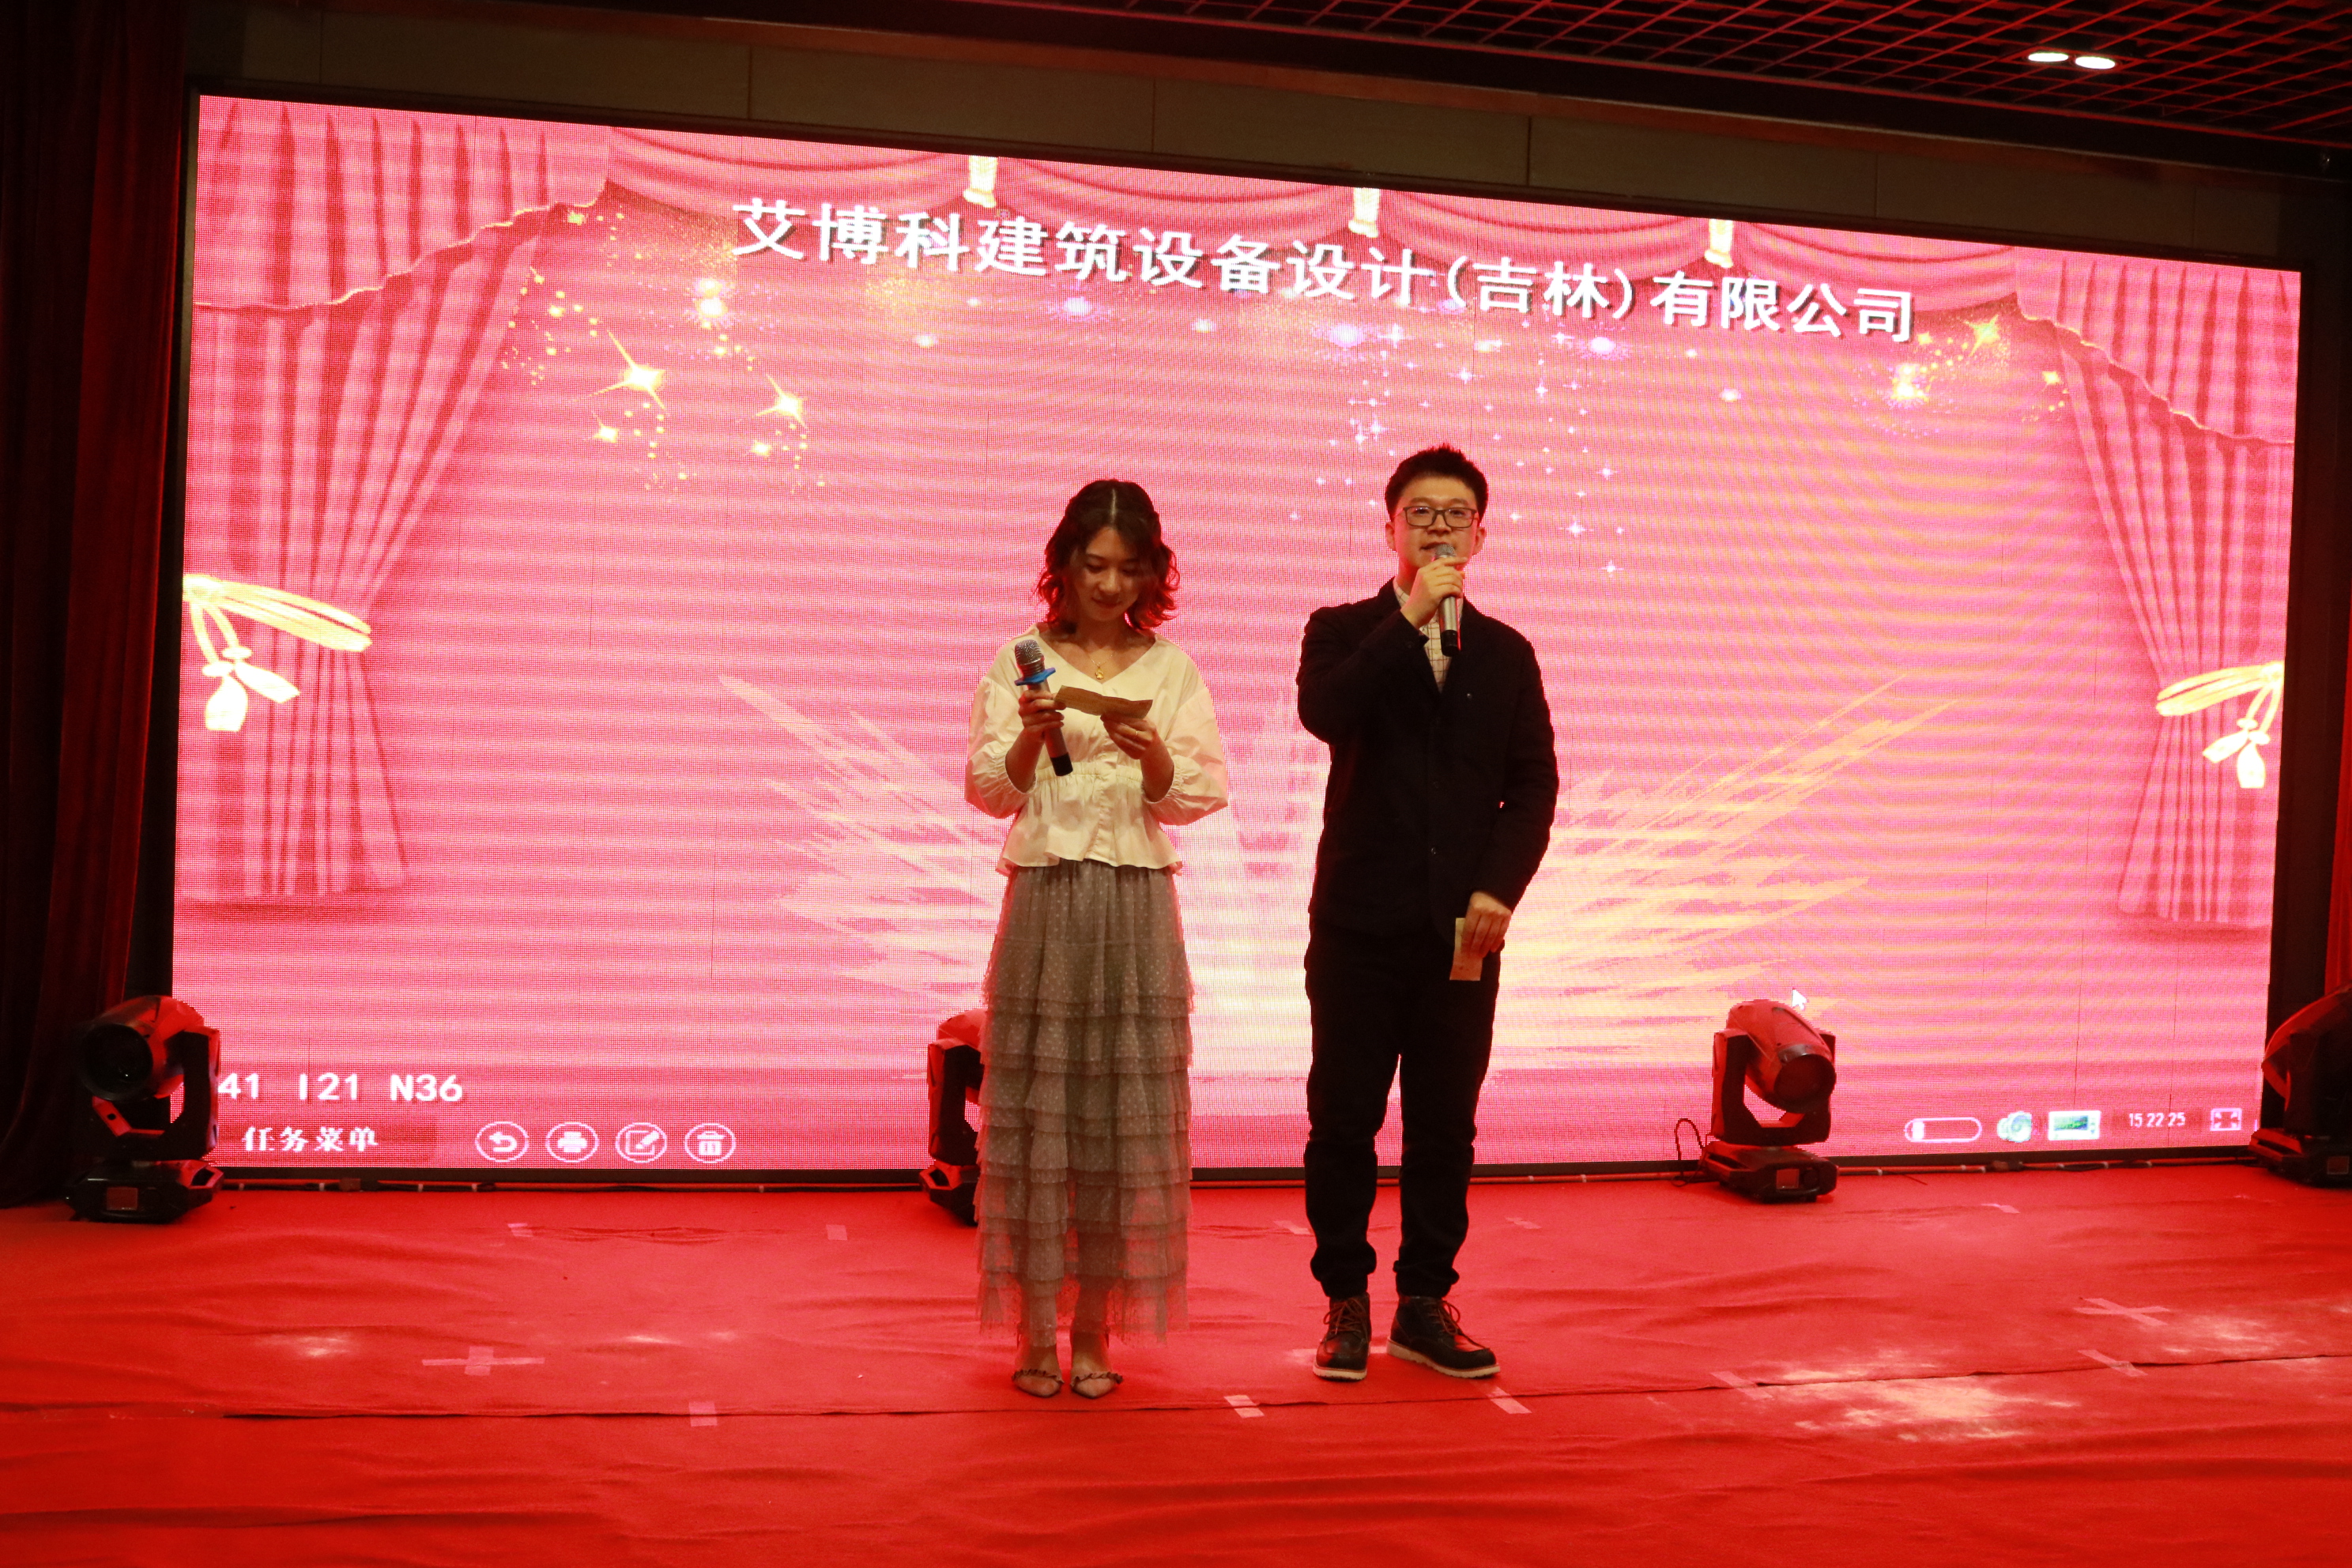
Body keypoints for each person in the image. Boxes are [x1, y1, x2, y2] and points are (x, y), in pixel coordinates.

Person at [1295, 444, 1558, 1381]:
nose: (1439, 528)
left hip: (1462, 934)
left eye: (1455, 515)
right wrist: (1407, 618)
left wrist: (1497, 890)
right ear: (1391, 528)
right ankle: (1346, 1299)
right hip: (1357, 927)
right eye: (1421, 513)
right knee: (1344, 1119)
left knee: (1445, 1125)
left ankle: (1423, 1301)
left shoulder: (1507, 653)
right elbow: (1327, 713)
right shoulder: (1341, 630)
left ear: (1481, 535)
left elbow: (1532, 785)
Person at [963, 478, 1229, 1400]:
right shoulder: (1023, 659)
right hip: (1045, 896)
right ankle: (1034, 1331)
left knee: (1121, 1127)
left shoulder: (1172, 669)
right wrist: (1032, 738)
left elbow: (1194, 794)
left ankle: (1092, 1333)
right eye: (1094, 565)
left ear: (1154, 573)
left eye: (1129, 569)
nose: (1111, 584)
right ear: (1065, 567)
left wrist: (1151, 753)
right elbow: (990, 790)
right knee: (1039, 1120)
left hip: (1135, 903)